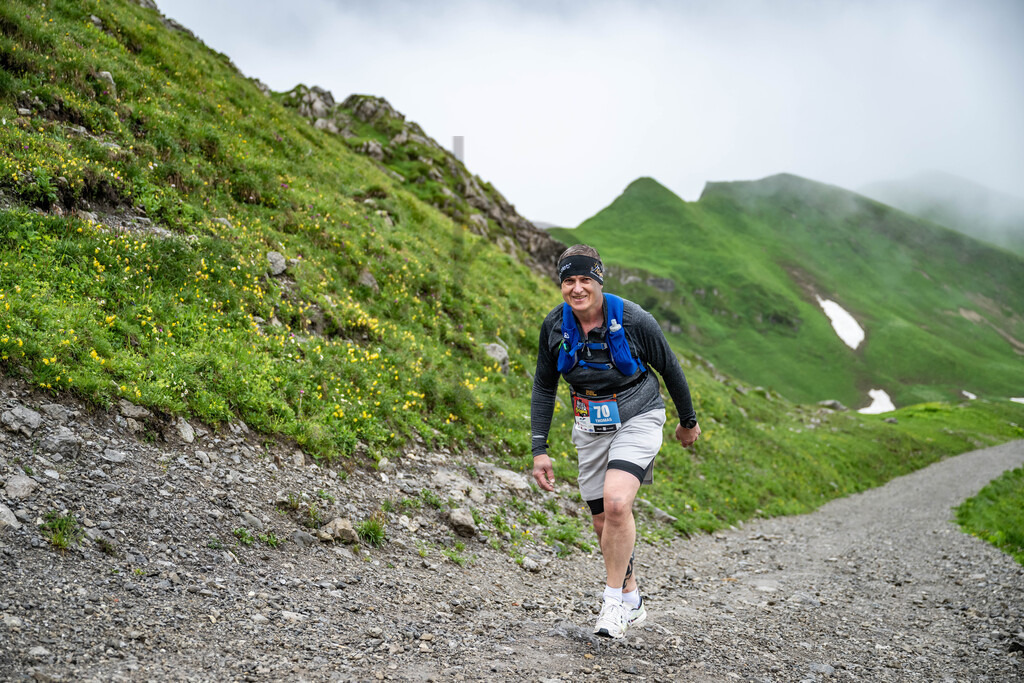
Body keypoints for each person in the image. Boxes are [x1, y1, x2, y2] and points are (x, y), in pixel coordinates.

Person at [530, 244, 701, 639]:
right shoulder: (554, 326)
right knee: (602, 521)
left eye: (584, 279)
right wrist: (540, 448)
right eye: (568, 280)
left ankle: (611, 605)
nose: (576, 288)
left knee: (618, 504)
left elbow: (670, 368)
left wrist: (687, 421)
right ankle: (631, 595)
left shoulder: (636, 320)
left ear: (599, 281)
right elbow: (544, 384)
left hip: (638, 416)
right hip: (589, 424)